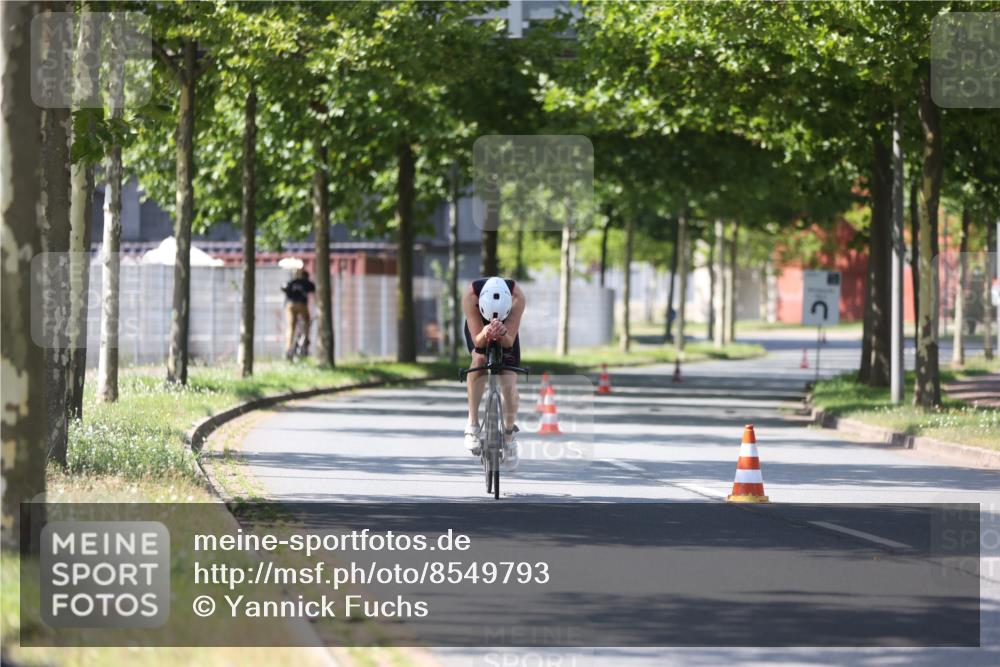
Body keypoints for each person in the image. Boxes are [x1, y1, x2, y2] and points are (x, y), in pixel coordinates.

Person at [462, 276, 526, 470]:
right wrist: (485, 333)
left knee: (508, 380)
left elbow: (509, 341)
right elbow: (477, 341)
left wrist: (502, 333)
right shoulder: (470, 295)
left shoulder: (517, 297)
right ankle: (472, 424)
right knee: (479, 361)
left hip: (507, 331)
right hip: (479, 328)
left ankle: (509, 435)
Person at [281, 268, 315, 359]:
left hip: (290, 305)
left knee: (290, 327)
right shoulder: (306, 282)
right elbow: (313, 288)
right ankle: (305, 339)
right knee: (307, 321)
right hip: (301, 304)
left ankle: (288, 349)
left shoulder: (292, 282)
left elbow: (284, 288)